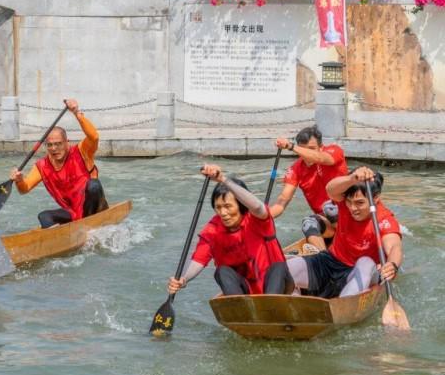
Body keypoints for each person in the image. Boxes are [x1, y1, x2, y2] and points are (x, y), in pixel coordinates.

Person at [168, 165, 292, 297]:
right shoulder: (212, 229)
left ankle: (270, 306)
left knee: (278, 267)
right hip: (246, 290)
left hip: (277, 286)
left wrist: (222, 179)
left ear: (241, 205)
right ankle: (239, 307)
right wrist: (184, 279)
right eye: (218, 207)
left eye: (227, 206)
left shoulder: (258, 219)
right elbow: (199, 260)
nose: (223, 213)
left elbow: (256, 206)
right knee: (222, 271)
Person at [286, 167, 403, 299]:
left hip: (361, 272)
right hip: (332, 263)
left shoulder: (384, 219)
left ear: (375, 198)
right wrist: (352, 178)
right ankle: (295, 302)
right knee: (286, 270)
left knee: (365, 262)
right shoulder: (343, 203)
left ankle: (343, 304)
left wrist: (392, 265)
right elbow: (330, 189)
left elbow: (394, 247)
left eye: (359, 203)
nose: (353, 208)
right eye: (349, 202)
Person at [11, 99, 108, 227]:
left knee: (93, 185)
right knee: (44, 217)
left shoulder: (82, 151)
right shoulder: (42, 166)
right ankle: (59, 239)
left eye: (58, 144)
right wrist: (19, 180)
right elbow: (25, 188)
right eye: (50, 145)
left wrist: (76, 113)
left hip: (93, 208)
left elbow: (94, 137)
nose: (54, 149)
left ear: (67, 143)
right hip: (73, 213)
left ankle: (89, 226)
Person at [268, 125, 348, 252]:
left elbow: (320, 158)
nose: (306, 155)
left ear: (321, 147)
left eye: (311, 149)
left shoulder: (334, 151)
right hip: (327, 224)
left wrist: (291, 146)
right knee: (308, 223)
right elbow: (282, 201)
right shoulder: (295, 169)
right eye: (302, 149)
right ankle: (325, 257)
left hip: (347, 216)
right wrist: (261, 216)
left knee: (330, 209)